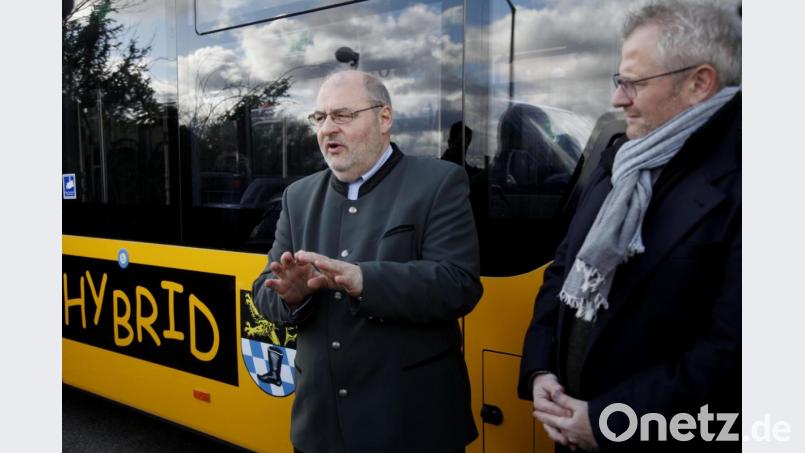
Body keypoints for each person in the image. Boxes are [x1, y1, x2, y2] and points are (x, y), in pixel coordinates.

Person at [517, 1, 741, 451]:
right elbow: (563, 269)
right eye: (618, 81)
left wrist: (610, 421)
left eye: (633, 84)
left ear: (700, 82)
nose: (617, 99)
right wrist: (541, 369)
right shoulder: (620, 159)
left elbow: (732, 353)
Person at [252, 70, 481, 453]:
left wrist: (363, 280)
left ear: (384, 118)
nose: (327, 129)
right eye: (320, 118)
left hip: (413, 427)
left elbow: (458, 285)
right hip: (321, 429)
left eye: (342, 115)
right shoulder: (298, 196)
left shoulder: (439, 182)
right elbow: (265, 292)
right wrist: (292, 296)